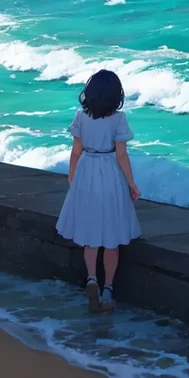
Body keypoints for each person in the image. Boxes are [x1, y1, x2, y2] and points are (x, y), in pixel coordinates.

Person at [56, 70, 141, 313]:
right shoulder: (118, 119)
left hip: (87, 171)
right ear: (117, 95)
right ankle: (108, 290)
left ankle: (92, 278)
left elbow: (75, 151)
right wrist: (132, 183)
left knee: (91, 236)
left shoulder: (81, 117)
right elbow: (122, 154)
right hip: (110, 172)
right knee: (112, 239)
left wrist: (72, 176)